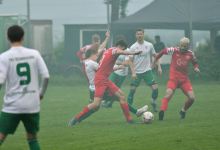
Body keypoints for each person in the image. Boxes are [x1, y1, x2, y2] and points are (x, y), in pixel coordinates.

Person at [68, 39, 143, 125]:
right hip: (100, 81)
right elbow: (120, 52)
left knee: (122, 97)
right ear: (119, 47)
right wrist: (133, 53)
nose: (122, 51)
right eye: (122, 49)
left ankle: (129, 120)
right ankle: (75, 119)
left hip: (105, 79)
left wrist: (107, 38)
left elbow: (101, 51)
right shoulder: (113, 51)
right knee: (96, 105)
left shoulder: (109, 50)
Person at [0, 25, 49, 149]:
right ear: (23, 37)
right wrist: (41, 93)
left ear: (7, 38)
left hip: (12, 105)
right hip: (31, 104)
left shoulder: (4, 57)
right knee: (32, 139)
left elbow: (0, 81)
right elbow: (46, 76)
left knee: (1, 137)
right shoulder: (34, 54)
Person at [151, 37, 200, 120]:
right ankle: (162, 113)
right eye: (181, 46)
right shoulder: (174, 50)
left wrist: (196, 67)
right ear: (180, 44)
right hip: (173, 79)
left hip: (184, 80)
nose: (182, 48)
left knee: (192, 98)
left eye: (184, 46)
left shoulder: (191, 54)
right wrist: (153, 62)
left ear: (188, 45)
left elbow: (195, 62)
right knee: (168, 94)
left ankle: (183, 110)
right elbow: (162, 51)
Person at [127, 28, 162, 112]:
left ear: (143, 34)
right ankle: (128, 109)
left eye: (141, 34)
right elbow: (130, 62)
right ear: (136, 35)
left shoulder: (149, 45)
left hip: (147, 71)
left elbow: (156, 56)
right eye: (138, 34)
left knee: (156, 90)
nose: (139, 35)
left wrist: (159, 67)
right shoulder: (133, 47)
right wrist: (133, 73)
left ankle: (153, 102)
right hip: (137, 73)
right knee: (132, 92)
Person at [77, 34, 105, 103]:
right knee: (92, 83)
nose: (96, 43)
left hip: (95, 66)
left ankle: (96, 99)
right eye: (94, 41)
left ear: (100, 41)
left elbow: (105, 56)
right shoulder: (88, 47)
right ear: (92, 41)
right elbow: (79, 53)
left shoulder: (102, 48)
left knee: (98, 82)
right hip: (87, 67)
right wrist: (83, 60)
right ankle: (93, 99)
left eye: (97, 41)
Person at [105, 35, 129, 108]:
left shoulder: (127, 50)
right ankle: (105, 99)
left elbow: (127, 63)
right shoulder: (114, 49)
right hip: (114, 70)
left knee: (117, 89)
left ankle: (110, 103)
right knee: (107, 85)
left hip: (122, 73)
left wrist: (118, 63)